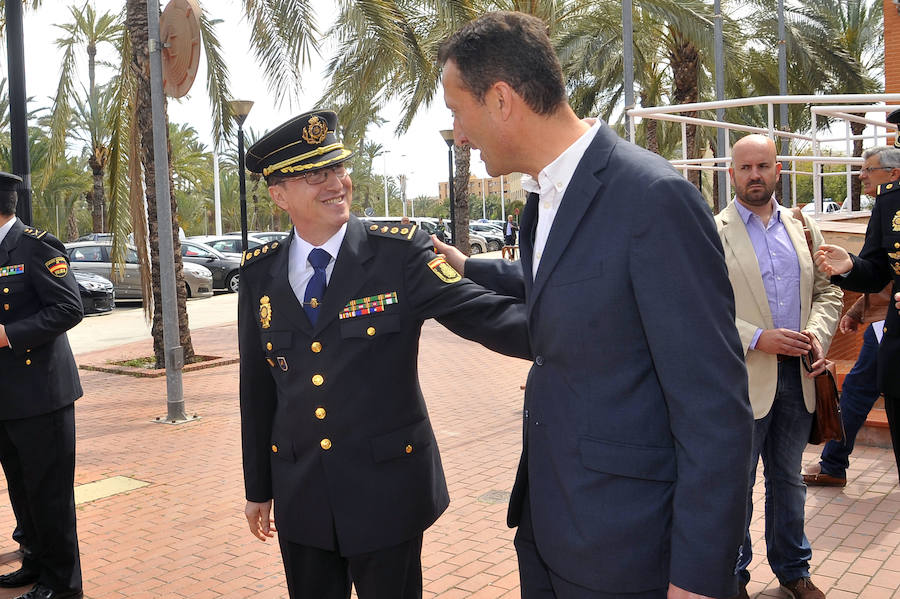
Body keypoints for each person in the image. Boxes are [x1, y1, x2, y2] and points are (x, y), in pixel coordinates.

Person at [433, 12, 754, 599]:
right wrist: (462, 269)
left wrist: (699, 575)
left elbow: (715, 408)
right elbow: (560, 297)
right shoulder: (542, 200)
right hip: (550, 533)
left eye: (457, 111)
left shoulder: (652, 199)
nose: (457, 133)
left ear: (501, 99)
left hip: (630, 552)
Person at [238, 109, 529, 599]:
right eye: (316, 175)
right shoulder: (258, 274)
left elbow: (483, 314)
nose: (336, 183)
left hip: (386, 491)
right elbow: (258, 387)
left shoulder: (396, 254)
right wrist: (258, 487)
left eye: (338, 168)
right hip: (302, 490)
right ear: (278, 194)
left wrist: (579, 333)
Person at [713, 134, 842, 599]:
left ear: (778, 169)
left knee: (788, 480)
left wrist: (817, 337)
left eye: (762, 166)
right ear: (731, 174)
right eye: (745, 168)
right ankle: (734, 575)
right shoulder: (716, 229)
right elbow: (705, 306)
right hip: (744, 380)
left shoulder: (803, 227)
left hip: (800, 379)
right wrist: (756, 337)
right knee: (738, 483)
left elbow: (828, 292)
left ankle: (794, 570)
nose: (754, 176)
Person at [0, 171, 84, 599]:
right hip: (6, 398)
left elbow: (69, 308)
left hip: (41, 396)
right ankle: (33, 562)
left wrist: (8, 333)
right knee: (21, 488)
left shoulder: (36, 245)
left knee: (49, 494)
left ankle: (62, 584)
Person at [803, 145, 900, 487]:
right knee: (859, 386)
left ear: (893, 173)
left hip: (887, 323)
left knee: (859, 387)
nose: (861, 176)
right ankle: (833, 462)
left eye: (868, 170)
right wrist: (858, 298)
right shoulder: (886, 206)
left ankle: (833, 462)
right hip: (887, 326)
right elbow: (883, 270)